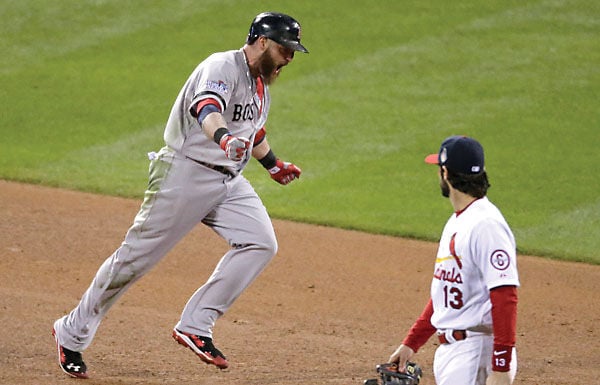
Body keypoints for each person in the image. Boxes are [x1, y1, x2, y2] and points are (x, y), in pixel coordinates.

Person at [52, 11, 308, 379]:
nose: (290, 57)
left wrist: (272, 164)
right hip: (184, 175)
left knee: (260, 242)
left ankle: (196, 324)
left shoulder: (261, 81)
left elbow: (252, 127)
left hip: (227, 182)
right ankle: (71, 332)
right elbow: (207, 107)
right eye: (286, 48)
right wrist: (223, 139)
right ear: (263, 42)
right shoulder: (222, 66)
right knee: (133, 260)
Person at [387, 136, 520, 385]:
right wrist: (411, 343)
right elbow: (446, 293)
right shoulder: (459, 220)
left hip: (475, 352)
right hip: (458, 352)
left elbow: (505, 294)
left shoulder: (486, 224)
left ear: (445, 172)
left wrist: (500, 367)